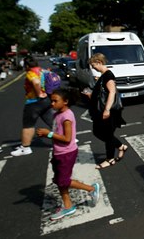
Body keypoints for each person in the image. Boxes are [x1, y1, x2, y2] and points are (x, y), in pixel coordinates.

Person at [36, 88, 100, 220]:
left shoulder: (67, 117)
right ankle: (68, 206)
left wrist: (48, 133)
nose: (52, 104)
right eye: (51, 101)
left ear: (65, 101)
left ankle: (91, 189)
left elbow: (67, 138)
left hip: (67, 153)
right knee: (60, 182)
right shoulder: (57, 114)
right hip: (58, 152)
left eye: (55, 101)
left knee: (63, 181)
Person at [82, 53, 128, 169]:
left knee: (106, 135)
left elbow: (112, 92)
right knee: (99, 132)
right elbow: (102, 94)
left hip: (108, 111)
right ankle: (121, 146)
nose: (93, 68)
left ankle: (110, 159)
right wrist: (91, 95)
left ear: (99, 62)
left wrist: (107, 110)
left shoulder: (108, 76)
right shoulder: (103, 76)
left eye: (93, 65)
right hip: (100, 110)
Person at [11, 57, 52, 157]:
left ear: (27, 65)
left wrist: (38, 94)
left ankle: (25, 148)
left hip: (34, 102)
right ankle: (70, 138)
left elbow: (36, 82)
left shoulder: (31, 72)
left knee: (28, 125)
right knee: (52, 121)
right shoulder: (42, 70)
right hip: (46, 100)